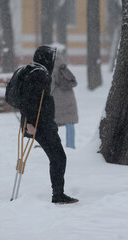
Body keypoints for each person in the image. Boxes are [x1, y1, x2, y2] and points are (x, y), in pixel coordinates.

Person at [20, 45, 78, 204]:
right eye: (51, 58)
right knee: (58, 158)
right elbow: (29, 101)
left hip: (43, 124)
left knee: (58, 158)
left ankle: (58, 194)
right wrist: (30, 123)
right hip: (40, 126)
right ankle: (58, 195)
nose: (53, 60)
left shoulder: (36, 72)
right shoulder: (38, 75)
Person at [51, 50, 78, 149]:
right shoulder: (62, 65)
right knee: (69, 122)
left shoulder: (51, 67)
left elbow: (50, 85)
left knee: (51, 124)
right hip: (69, 100)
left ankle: (53, 146)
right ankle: (71, 146)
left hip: (57, 101)